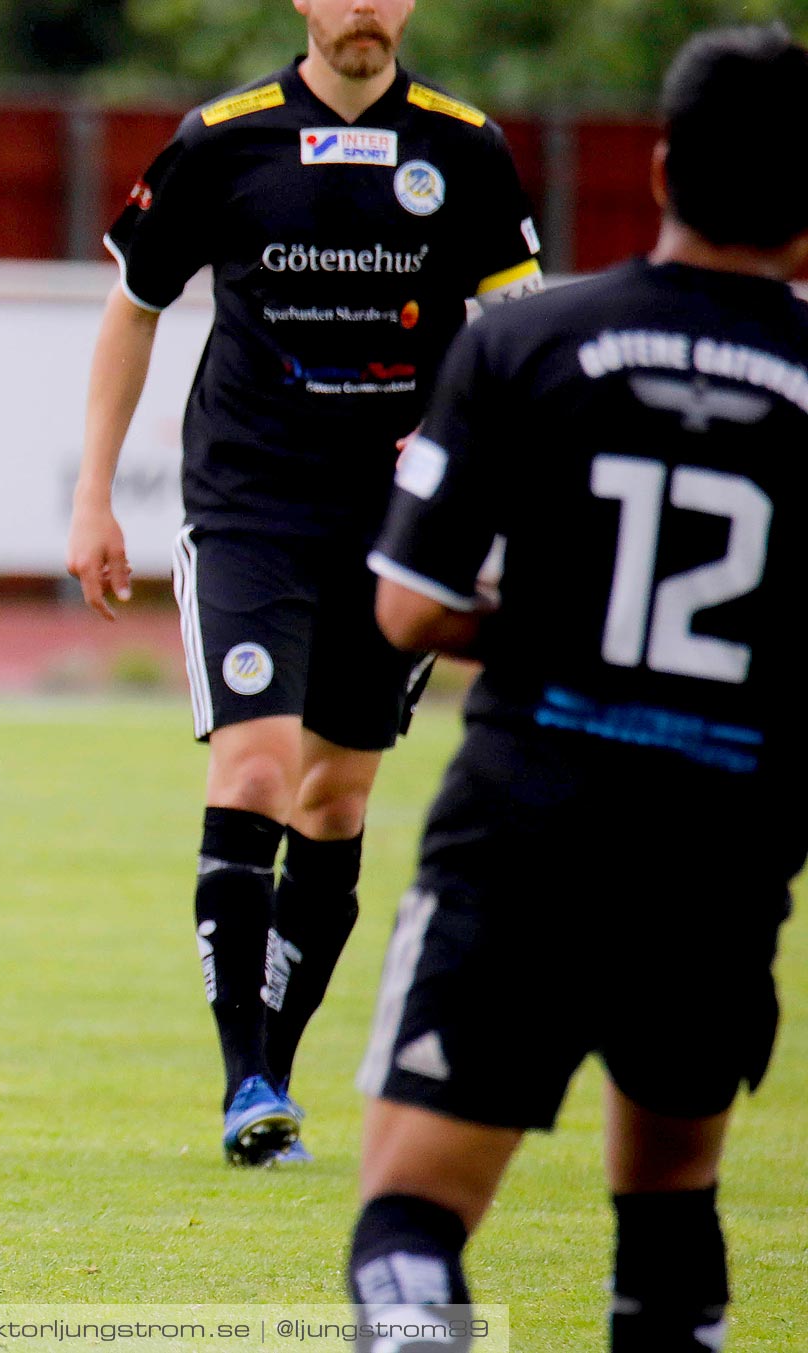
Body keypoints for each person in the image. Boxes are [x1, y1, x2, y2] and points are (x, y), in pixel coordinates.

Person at [351, 23, 808, 1351]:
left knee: (411, 1220)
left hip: (525, 834)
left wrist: (555, 630)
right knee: (669, 1197)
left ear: (661, 165)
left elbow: (406, 609)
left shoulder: (530, 341)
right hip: (723, 850)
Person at [67, 0, 543, 1165]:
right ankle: (243, 1084)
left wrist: (467, 447)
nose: (364, 8)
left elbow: (517, 331)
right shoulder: (221, 138)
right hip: (246, 510)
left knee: (334, 804)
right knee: (260, 764)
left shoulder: (465, 148)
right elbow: (135, 311)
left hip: (398, 528)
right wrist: (93, 496)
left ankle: (273, 1067)